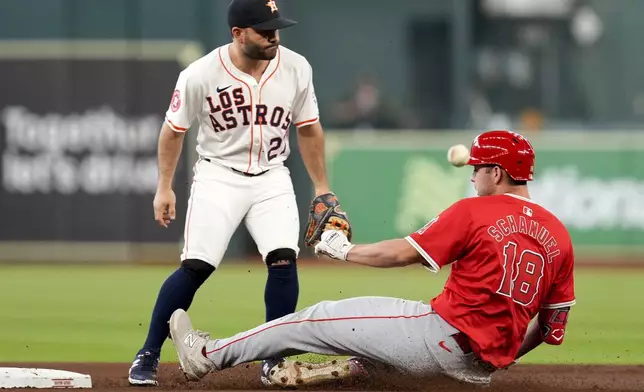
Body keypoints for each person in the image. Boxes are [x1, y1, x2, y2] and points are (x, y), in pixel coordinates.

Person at [165, 130, 576, 388]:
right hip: (477, 368)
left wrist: (342, 249)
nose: (472, 176)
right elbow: (549, 328)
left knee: (314, 319)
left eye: (477, 169)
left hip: (435, 337)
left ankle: (206, 356)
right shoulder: (559, 235)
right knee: (378, 362)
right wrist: (488, 363)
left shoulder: (475, 211)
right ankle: (338, 373)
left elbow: (401, 253)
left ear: (497, 173)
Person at [127, 0, 348, 386]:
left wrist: (321, 187)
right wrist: (164, 186)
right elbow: (172, 131)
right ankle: (147, 352)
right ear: (237, 34)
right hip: (218, 176)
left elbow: (309, 128)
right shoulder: (200, 74)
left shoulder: (296, 67)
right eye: (264, 30)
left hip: (272, 176)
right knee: (197, 265)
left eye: (276, 27)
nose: (273, 36)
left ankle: (273, 357)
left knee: (283, 259)